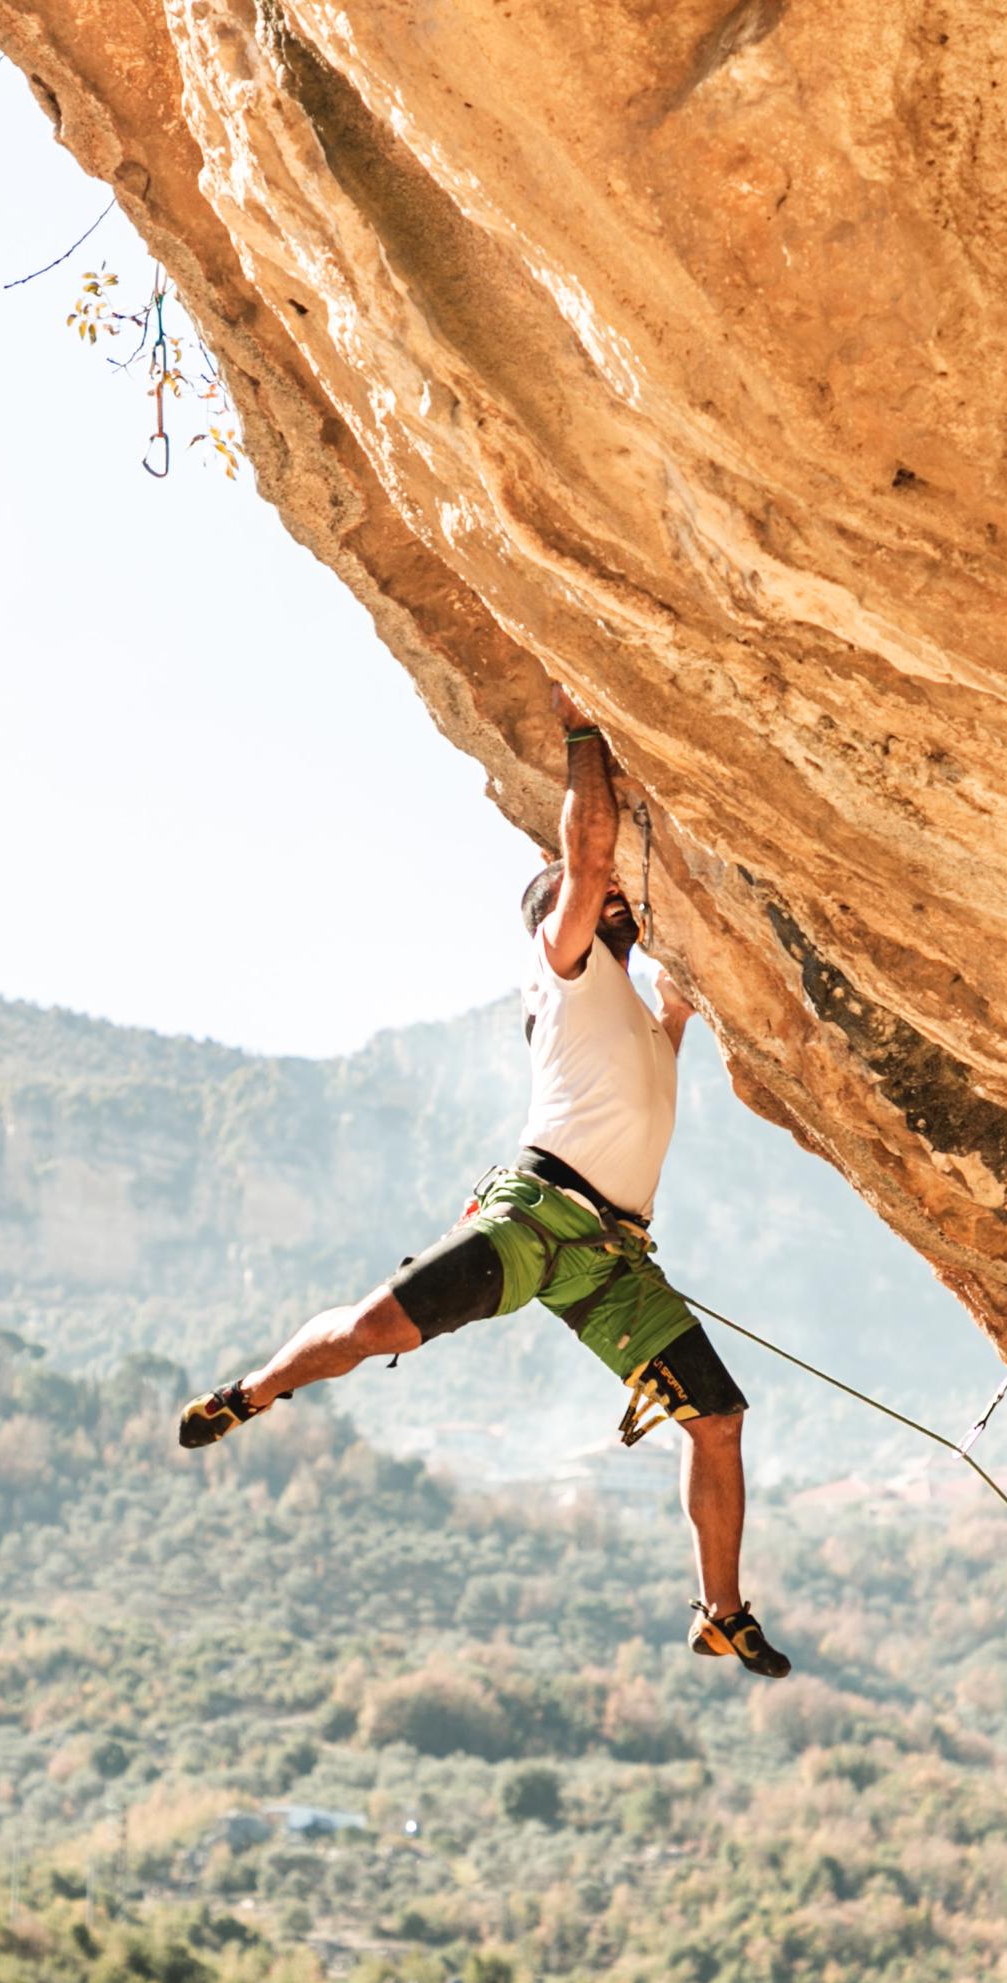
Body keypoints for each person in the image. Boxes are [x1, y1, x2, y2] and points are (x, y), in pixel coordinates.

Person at [177, 688, 790, 1678]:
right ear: (560, 919)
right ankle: (255, 1390)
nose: (607, 904)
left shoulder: (642, 1015)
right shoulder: (563, 964)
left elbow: (681, 999)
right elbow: (588, 860)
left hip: (610, 1259)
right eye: (591, 902)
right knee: (376, 1327)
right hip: (535, 1216)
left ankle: (721, 1611)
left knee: (716, 1421)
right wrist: (584, 727)